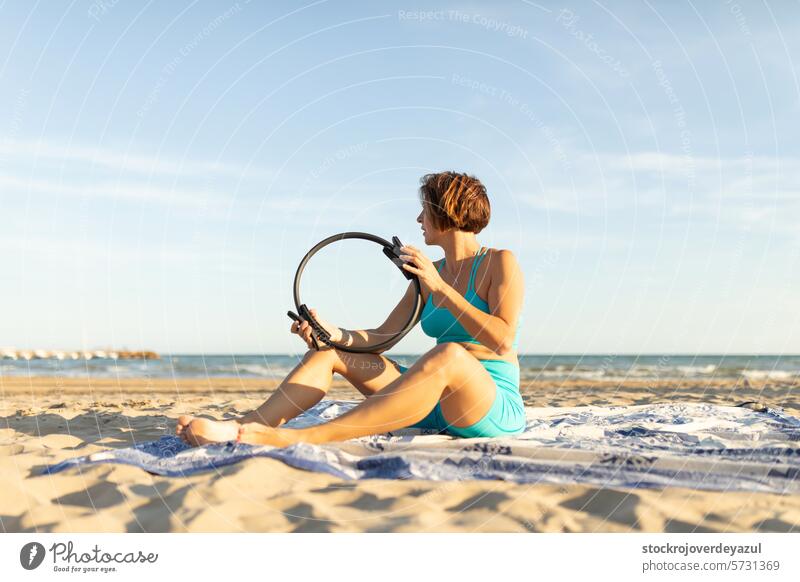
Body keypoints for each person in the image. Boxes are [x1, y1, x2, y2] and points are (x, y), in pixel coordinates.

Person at [175, 171, 525, 447]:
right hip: (433, 403)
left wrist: (440, 288)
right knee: (329, 355)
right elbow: (382, 337)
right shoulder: (428, 274)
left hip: (487, 404)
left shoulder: (498, 263)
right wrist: (330, 333)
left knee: (448, 354)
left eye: (425, 209)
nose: (419, 218)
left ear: (446, 210)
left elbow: (502, 340)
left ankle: (298, 439)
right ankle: (243, 428)